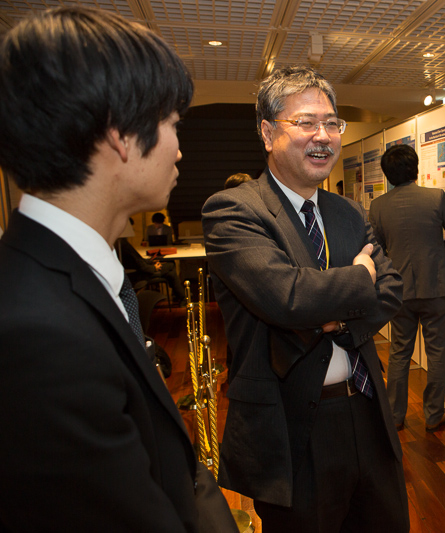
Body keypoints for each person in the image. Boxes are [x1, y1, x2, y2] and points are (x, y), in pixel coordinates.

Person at [0, 8, 237, 532]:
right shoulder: (34, 333)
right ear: (119, 135)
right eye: (172, 123)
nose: (180, 149)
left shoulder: (79, 277)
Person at [202, 65, 409, 532]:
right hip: (292, 429)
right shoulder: (234, 210)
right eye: (306, 123)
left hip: (368, 412)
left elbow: (392, 287)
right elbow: (287, 297)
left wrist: (334, 318)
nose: (324, 136)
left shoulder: (347, 211)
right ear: (268, 132)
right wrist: (358, 278)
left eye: (332, 123)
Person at [368, 144, 445, 432]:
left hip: (400, 289)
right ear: (416, 168)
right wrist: (439, 254)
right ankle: (434, 416)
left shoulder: (379, 206)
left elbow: (377, 248)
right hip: (436, 286)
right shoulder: (436, 197)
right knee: (437, 353)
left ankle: (396, 416)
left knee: (400, 351)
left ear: (387, 175)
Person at [119, 232, 186, 306]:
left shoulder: (121, 244)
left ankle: (181, 297)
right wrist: (154, 267)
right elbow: (142, 267)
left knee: (171, 274)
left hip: (142, 272)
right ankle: (182, 297)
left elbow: (139, 261)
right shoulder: (124, 245)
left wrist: (151, 262)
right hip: (143, 275)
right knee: (171, 266)